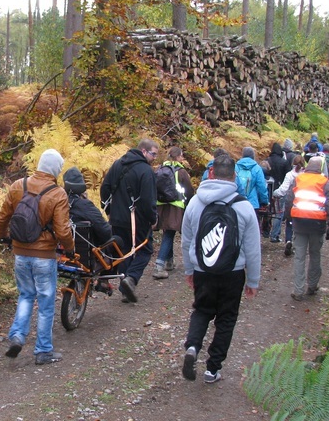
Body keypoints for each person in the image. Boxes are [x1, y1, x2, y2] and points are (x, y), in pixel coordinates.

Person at [180, 155, 261, 383]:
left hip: (202, 270)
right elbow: (253, 249)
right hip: (232, 273)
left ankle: (193, 347)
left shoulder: (196, 202)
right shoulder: (243, 206)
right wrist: (252, 281)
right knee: (226, 319)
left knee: (202, 310)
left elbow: (186, 241)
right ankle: (212, 369)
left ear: (212, 173)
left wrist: (189, 269)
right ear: (234, 176)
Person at [0, 149, 74, 365]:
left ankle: (18, 336)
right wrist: (69, 249)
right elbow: (63, 230)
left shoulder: (17, 185)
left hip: (20, 253)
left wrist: (4, 237)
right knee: (46, 302)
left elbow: (2, 217)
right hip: (44, 256)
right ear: (56, 169)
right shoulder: (58, 193)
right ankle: (43, 351)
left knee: (26, 295)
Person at [100, 139, 159, 303]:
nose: (155, 158)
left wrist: (110, 210)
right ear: (144, 151)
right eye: (153, 154)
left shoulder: (118, 164)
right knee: (145, 250)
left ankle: (125, 287)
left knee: (124, 251)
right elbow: (148, 200)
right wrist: (153, 218)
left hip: (117, 218)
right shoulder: (146, 171)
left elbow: (105, 188)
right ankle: (131, 279)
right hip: (137, 221)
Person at [284, 157, 329, 301]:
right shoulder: (324, 182)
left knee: (299, 257)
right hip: (317, 225)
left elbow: (289, 199)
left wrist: (288, 217)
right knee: (315, 255)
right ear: (320, 168)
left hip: (299, 223)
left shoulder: (299, 179)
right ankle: (312, 286)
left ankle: (298, 290)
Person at [63, 166, 114, 292]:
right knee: (116, 241)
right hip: (87, 252)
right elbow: (104, 231)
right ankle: (104, 279)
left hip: (61, 251)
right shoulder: (84, 205)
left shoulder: (58, 201)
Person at [153, 147, 194, 279]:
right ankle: (159, 264)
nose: (182, 158)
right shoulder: (181, 172)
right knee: (169, 234)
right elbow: (188, 189)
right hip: (175, 206)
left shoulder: (159, 169)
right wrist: (189, 202)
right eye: (181, 156)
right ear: (177, 157)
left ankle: (169, 262)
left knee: (167, 231)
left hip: (160, 206)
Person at [273, 155, 305, 256]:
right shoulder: (306, 175)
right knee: (301, 224)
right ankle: (298, 244)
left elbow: (283, 190)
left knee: (289, 223)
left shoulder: (290, 175)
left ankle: (288, 241)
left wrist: (274, 193)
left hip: (291, 202)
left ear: (292, 163)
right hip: (303, 203)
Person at [235, 147, 269, 234]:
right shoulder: (257, 168)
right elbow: (261, 186)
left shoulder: (236, 166)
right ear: (253, 156)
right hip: (252, 204)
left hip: (237, 202)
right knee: (252, 230)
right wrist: (264, 201)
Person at [267, 142, 291, 243]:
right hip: (280, 189)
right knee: (278, 213)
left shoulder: (266, 161)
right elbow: (288, 175)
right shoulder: (284, 162)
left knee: (265, 212)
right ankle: (274, 235)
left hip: (267, 189)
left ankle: (265, 231)